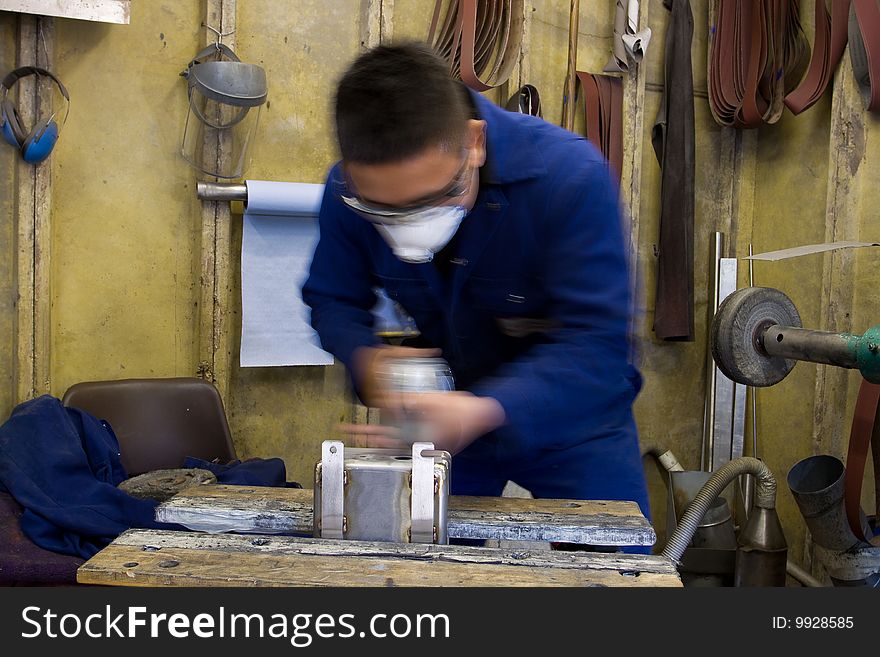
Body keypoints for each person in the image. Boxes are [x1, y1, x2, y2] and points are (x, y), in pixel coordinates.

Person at [302, 43, 650, 538]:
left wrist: (483, 410)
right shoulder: (349, 191)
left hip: (575, 418)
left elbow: (599, 344)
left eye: (435, 198)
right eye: (388, 213)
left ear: (475, 142)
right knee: (413, 562)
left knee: (618, 571)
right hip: (441, 432)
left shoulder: (569, 178)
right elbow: (332, 297)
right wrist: (368, 361)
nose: (410, 227)